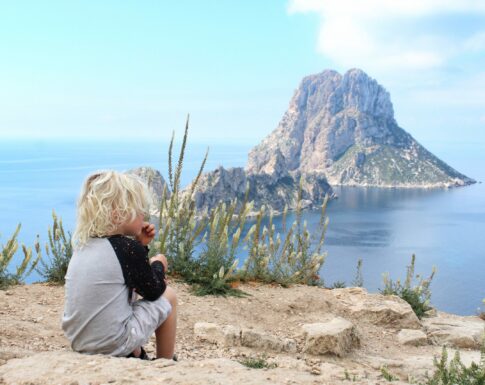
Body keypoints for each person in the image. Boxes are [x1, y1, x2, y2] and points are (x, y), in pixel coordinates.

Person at [62, 170, 177, 360]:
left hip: (80, 343)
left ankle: (134, 351)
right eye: (139, 209)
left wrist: (140, 245)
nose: (144, 214)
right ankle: (165, 363)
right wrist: (158, 265)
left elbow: (129, 278)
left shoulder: (83, 246)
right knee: (169, 296)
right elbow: (154, 290)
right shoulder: (126, 248)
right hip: (112, 344)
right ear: (118, 215)